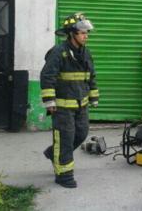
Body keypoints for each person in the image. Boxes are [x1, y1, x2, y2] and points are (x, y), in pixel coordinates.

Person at [40, 12, 99, 188]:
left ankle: (54, 154)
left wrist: (94, 95)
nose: (85, 35)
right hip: (62, 107)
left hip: (81, 105)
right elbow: (47, 76)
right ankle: (63, 175)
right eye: (82, 32)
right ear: (72, 33)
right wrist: (49, 101)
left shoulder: (85, 53)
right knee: (65, 138)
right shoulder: (58, 52)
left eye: (86, 32)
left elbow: (91, 76)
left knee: (81, 134)